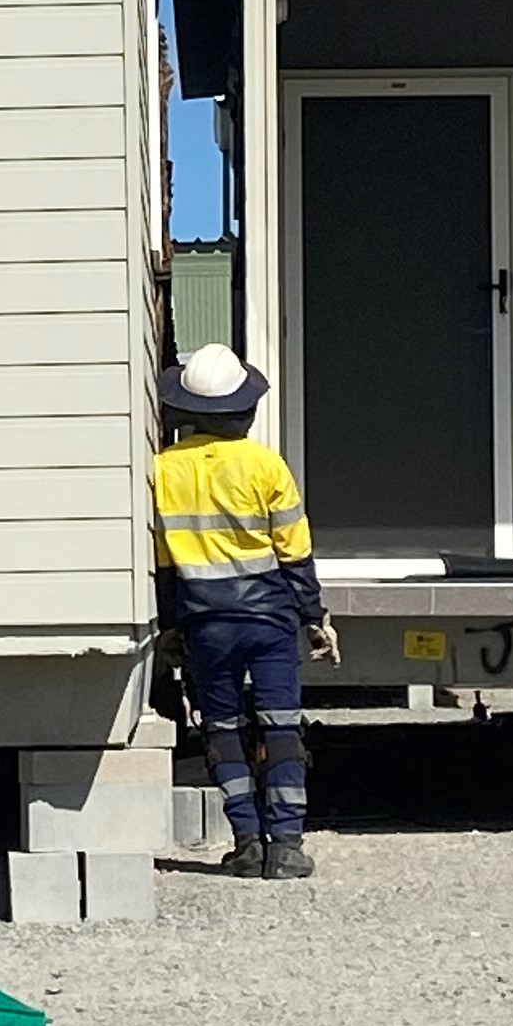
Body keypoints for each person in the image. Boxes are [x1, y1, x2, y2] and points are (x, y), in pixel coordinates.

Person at [151, 342, 341, 879]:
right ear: (245, 408)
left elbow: (165, 565)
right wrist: (315, 619)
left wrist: (171, 628)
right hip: (272, 620)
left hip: (206, 624)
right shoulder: (266, 465)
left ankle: (244, 842)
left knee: (222, 729)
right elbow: (295, 552)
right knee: (281, 728)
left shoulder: (162, 471)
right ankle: (286, 846)